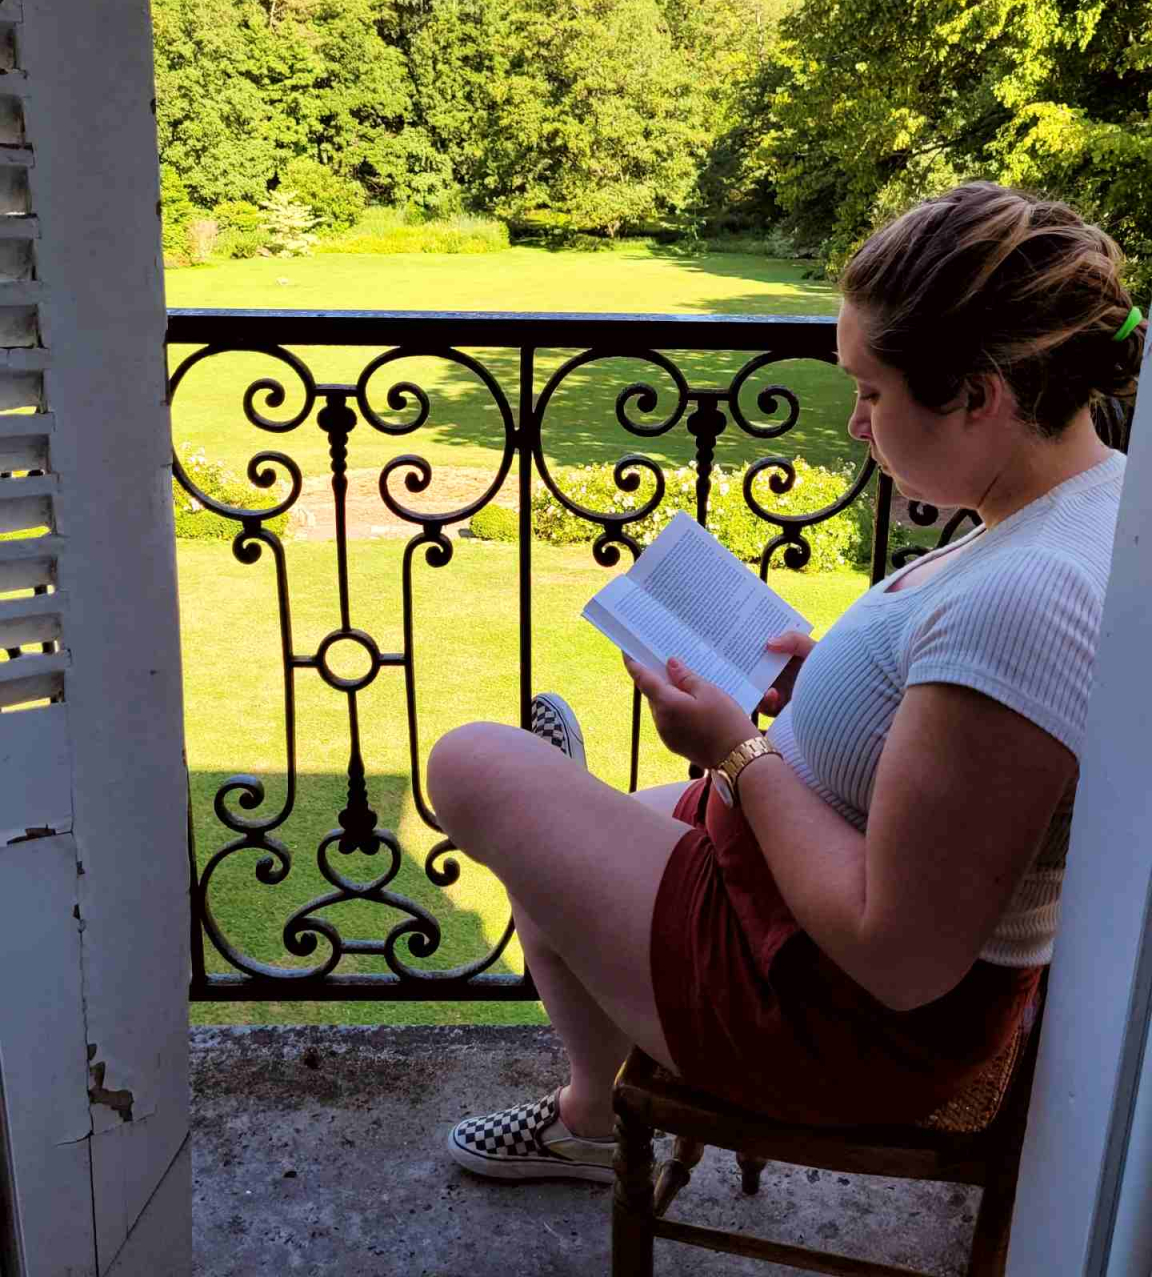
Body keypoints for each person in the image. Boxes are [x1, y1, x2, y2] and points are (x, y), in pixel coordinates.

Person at [428, 181, 1145, 1184]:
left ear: (981, 396)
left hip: (825, 1015)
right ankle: (591, 1115)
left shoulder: (1022, 601)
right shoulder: (1088, 498)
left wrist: (736, 749)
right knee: (547, 857)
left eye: (872, 391)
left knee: (474, 767)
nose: (853, 424)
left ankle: (587, 1098)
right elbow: (954, 735)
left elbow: (898, 958)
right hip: (799, 883)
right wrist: (826, 691)